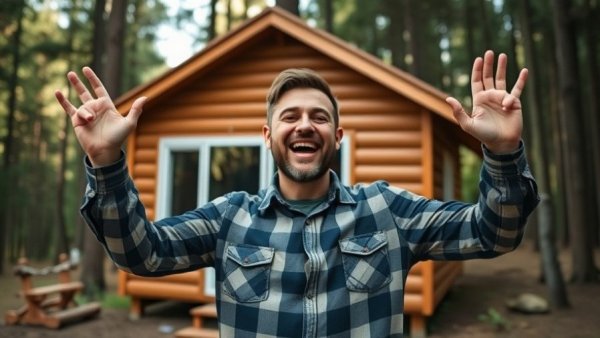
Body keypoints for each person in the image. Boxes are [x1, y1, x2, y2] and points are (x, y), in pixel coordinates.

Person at [55, 50, 539, 337]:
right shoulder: (230, 219)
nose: (304, 124)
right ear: (267, 136)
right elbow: (141, 254)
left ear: (338, 137)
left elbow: (493, 233)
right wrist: (106, 164)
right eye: (290, 117)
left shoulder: (387, 210)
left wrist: (502, 152)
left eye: (319, 116)